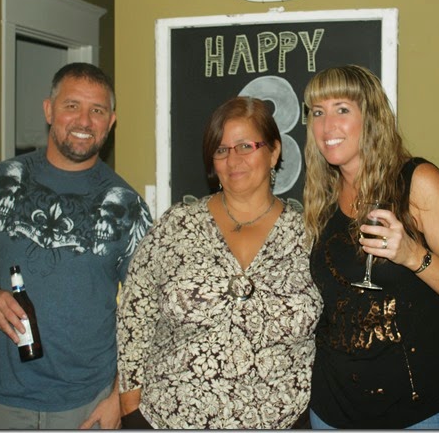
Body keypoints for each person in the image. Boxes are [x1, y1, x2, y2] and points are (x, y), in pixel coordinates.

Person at [0, 62, 153, 429]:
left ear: (111, 121)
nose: (84, 121)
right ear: (49, 110)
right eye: (72, 106)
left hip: (87, 406)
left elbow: (151, 310)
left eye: (97, 110)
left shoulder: (128, 207)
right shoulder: (0, 181)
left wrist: (118, 396)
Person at [302, 64, 439, 429]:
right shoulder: (322, 197)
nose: (327, 126)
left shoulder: (417, 182)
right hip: (333, 411)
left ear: (371, 117)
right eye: (318, 112)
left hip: (421, 412)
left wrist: (412, 255)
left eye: (342, 109)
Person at [117, 96, 323, 429]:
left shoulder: (309, 236)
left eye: (245, 146)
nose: (233, 160)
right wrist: (130, 408)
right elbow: (135, 314)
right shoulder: (176, 226)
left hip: (282, 420)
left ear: (274, 152)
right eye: (221, 149)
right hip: (169, 418)